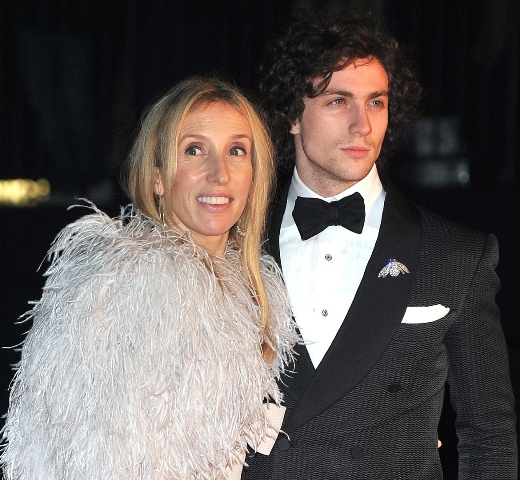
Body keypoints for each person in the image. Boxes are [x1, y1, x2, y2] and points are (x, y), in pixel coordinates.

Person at [241, 8, 518, 479]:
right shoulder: (234, 246)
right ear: (291, 113)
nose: (362, 126)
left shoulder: (456, 256)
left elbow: (489, 435)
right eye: (338, 101)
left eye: (376, 102)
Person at [1, 76, 298, 479]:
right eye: (194, 150)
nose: (220, 173)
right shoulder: (125, 286)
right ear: (158, 176)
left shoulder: (257, 294)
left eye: (236, 151)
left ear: (254, 173)